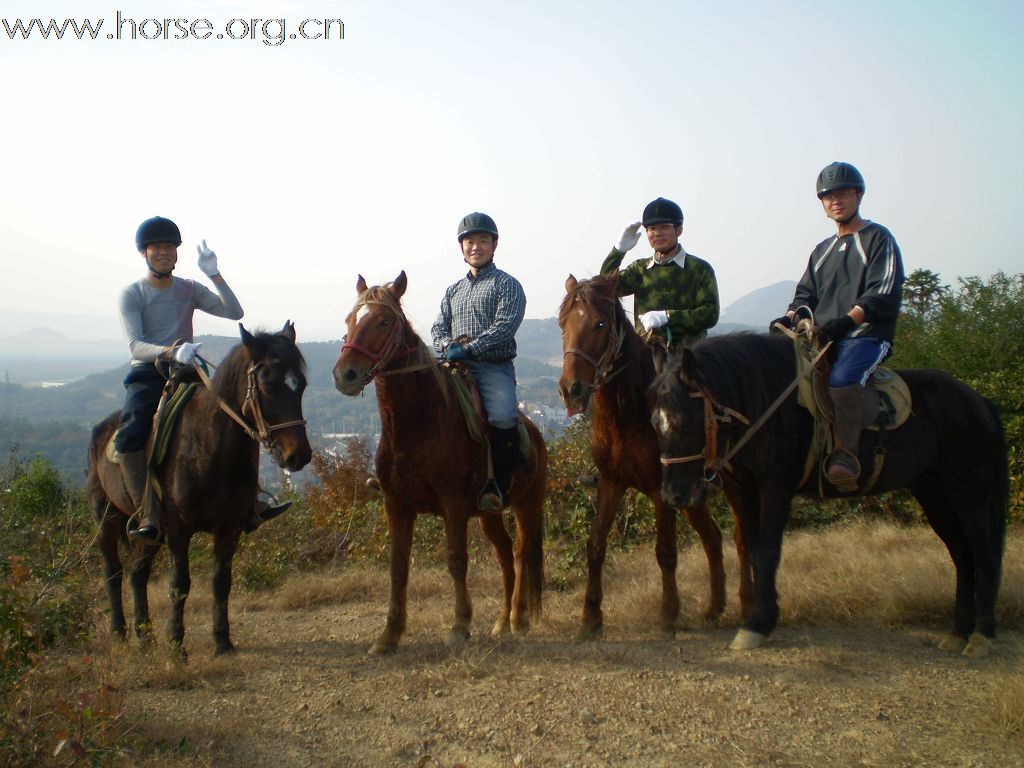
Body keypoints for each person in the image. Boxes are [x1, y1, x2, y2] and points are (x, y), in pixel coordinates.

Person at [117, 215, 288, 544]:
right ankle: (148, 513)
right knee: (129, 437)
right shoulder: (133, 294)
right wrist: (169, 351)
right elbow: (135, 345)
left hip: (188, 371)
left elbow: (234, 312)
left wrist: (215, 275)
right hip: (149, 372)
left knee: (238, 419)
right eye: (157, 248)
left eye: (169, 247)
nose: (164, 253)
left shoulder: (189, 289)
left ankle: (250, 501)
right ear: (144, 252)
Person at [771, 162, 905, 488]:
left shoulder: (878, 238)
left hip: (866, 336)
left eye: (843, 193)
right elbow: (805, 297)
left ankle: (847, 453)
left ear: (858, 195)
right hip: (823, 338)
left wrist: (845, 323)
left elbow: (882, 293)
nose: (836, 201)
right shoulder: (822, 251)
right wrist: (788, 319)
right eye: (829, 196)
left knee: (843, 380)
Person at [431, 212, 527, 512]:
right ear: (462, 248)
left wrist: (471, 348)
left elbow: (504, 327)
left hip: (491, 367)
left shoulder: (507, 284)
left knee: (502, 417)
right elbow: (437, 328)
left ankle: (497, 484)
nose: (475, 247)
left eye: (482, 241)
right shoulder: (453, 291)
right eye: (469, 242)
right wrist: (446, 344)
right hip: (453, 367)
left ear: (494, 245)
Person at [601, 196, 720, 348]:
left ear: (679, 230)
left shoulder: (699, 269)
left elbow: (710, 315)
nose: (657, 233)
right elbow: (605, 287)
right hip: (646, 356)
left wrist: (668, 317)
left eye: (664, 227)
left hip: (690, 356)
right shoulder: (639, 270)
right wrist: (618, 251)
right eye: (652, 228)